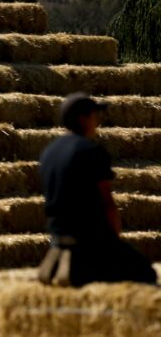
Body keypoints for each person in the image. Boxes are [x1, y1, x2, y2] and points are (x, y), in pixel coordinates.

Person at [37, 92, 157, 287]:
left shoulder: (49, 152)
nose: (97, 122)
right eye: (94, 116)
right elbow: (107, 202)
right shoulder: (91, 151)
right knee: (146, 275)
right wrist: (114, 245)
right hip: (90, 246)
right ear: (83, 118)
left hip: (57, 243)